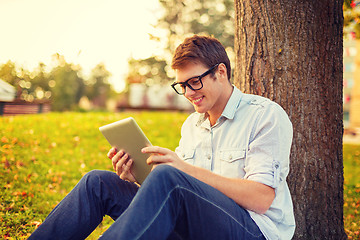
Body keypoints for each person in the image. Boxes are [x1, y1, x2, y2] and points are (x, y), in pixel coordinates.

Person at [29, 35, 295, 240]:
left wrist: (180, 170)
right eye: (182, 86)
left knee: (169, 175)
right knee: (97, 182)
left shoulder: (265, 116)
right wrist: (139, 178)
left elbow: (261, 199)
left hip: (251, 231)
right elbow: (179, 195)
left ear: (221, 72)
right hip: (195, 227)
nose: (189, 92)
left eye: (195, 81)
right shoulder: (193, 125)